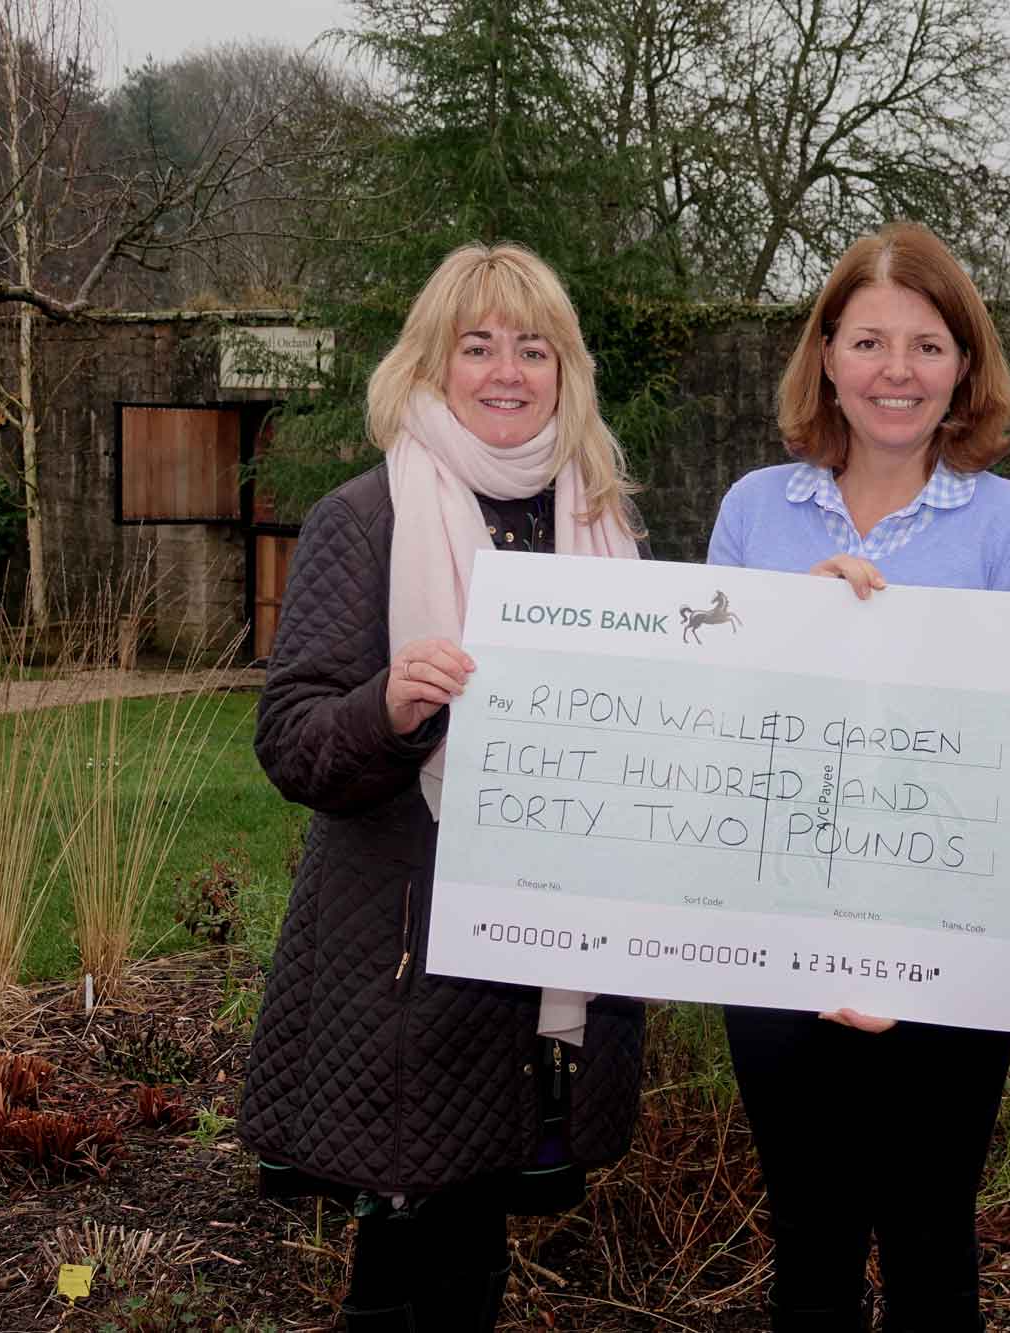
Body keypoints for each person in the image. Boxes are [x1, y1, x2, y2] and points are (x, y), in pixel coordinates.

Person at [238, 243, 649, 1332]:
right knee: (411, 1239)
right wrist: (387, 705)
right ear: (430, 362)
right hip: (408, 955)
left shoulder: (602, 522)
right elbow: (290, 741)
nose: (505, 371)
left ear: (566, 370)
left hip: (549, 943)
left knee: (473, 1237)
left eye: (532, 347)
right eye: (477, 346)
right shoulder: (363, 519)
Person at [706, 221, 1010, 1333]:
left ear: (964, 362)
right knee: (808, 1246)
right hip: (777, 941)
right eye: (868, 342)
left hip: (949, 949)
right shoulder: (752, 511)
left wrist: (914, 960)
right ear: (824, 354)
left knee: (928, 1243)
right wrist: (792, 632)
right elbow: (708, 724)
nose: (895, 372)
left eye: (925, 345)